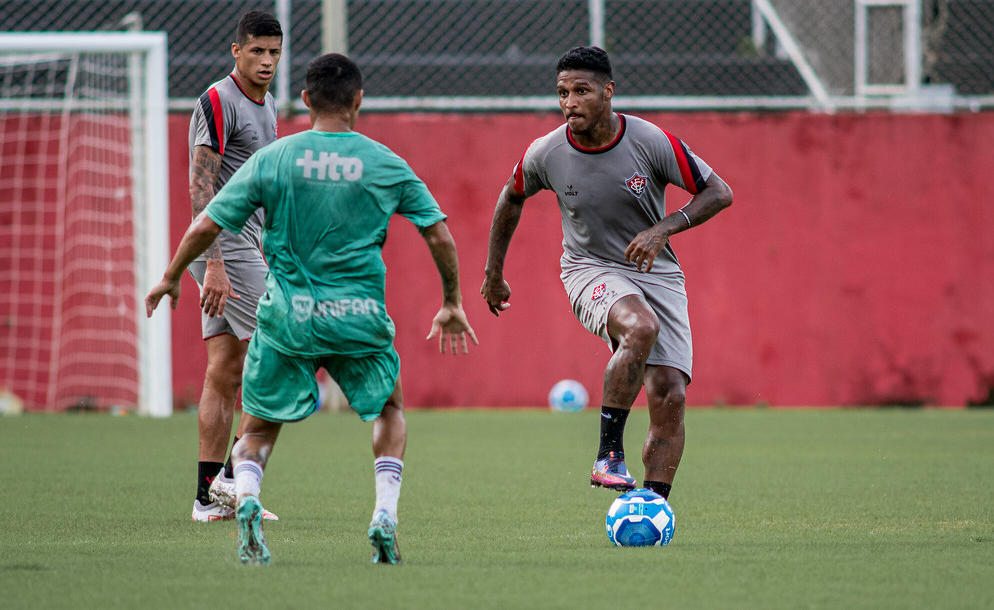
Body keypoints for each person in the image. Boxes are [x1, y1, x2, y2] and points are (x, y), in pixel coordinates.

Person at [146, 53, 478, 566]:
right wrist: (452, 300)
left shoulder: (274, 159)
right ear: (358, 101)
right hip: (358, 317)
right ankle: (384, 513)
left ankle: (248, 497)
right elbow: (438, 232)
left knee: (256, 428)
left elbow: (208, 224)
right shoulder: (382, 161)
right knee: (389, 409)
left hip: (288, 317)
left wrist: (171, 275)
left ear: (304, 101)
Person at [481, 46, 732, 502]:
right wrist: (493, 272)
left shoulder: (651, 140)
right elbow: (510, 197)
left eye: (581, 91)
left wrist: (664, 228)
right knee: (641, 327)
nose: (570, 102)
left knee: (670, 394)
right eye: (562, 93)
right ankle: (608, 454)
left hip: (656, 271)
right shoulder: (547, 152)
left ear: (608, 91)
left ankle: (652, 508)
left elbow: (719, 192)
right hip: (588, 267)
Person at [186, 10, 283, 522]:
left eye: (274, 51)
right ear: (236, 51)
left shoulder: (267, 106)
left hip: (248, 244)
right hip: (224, 244)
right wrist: (215, 263)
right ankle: (232, 478)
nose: (266, 61)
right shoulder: (218, 100)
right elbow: (201, 188)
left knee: (224, 370)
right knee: (284, 355)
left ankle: (207, 499)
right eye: (257, 51)